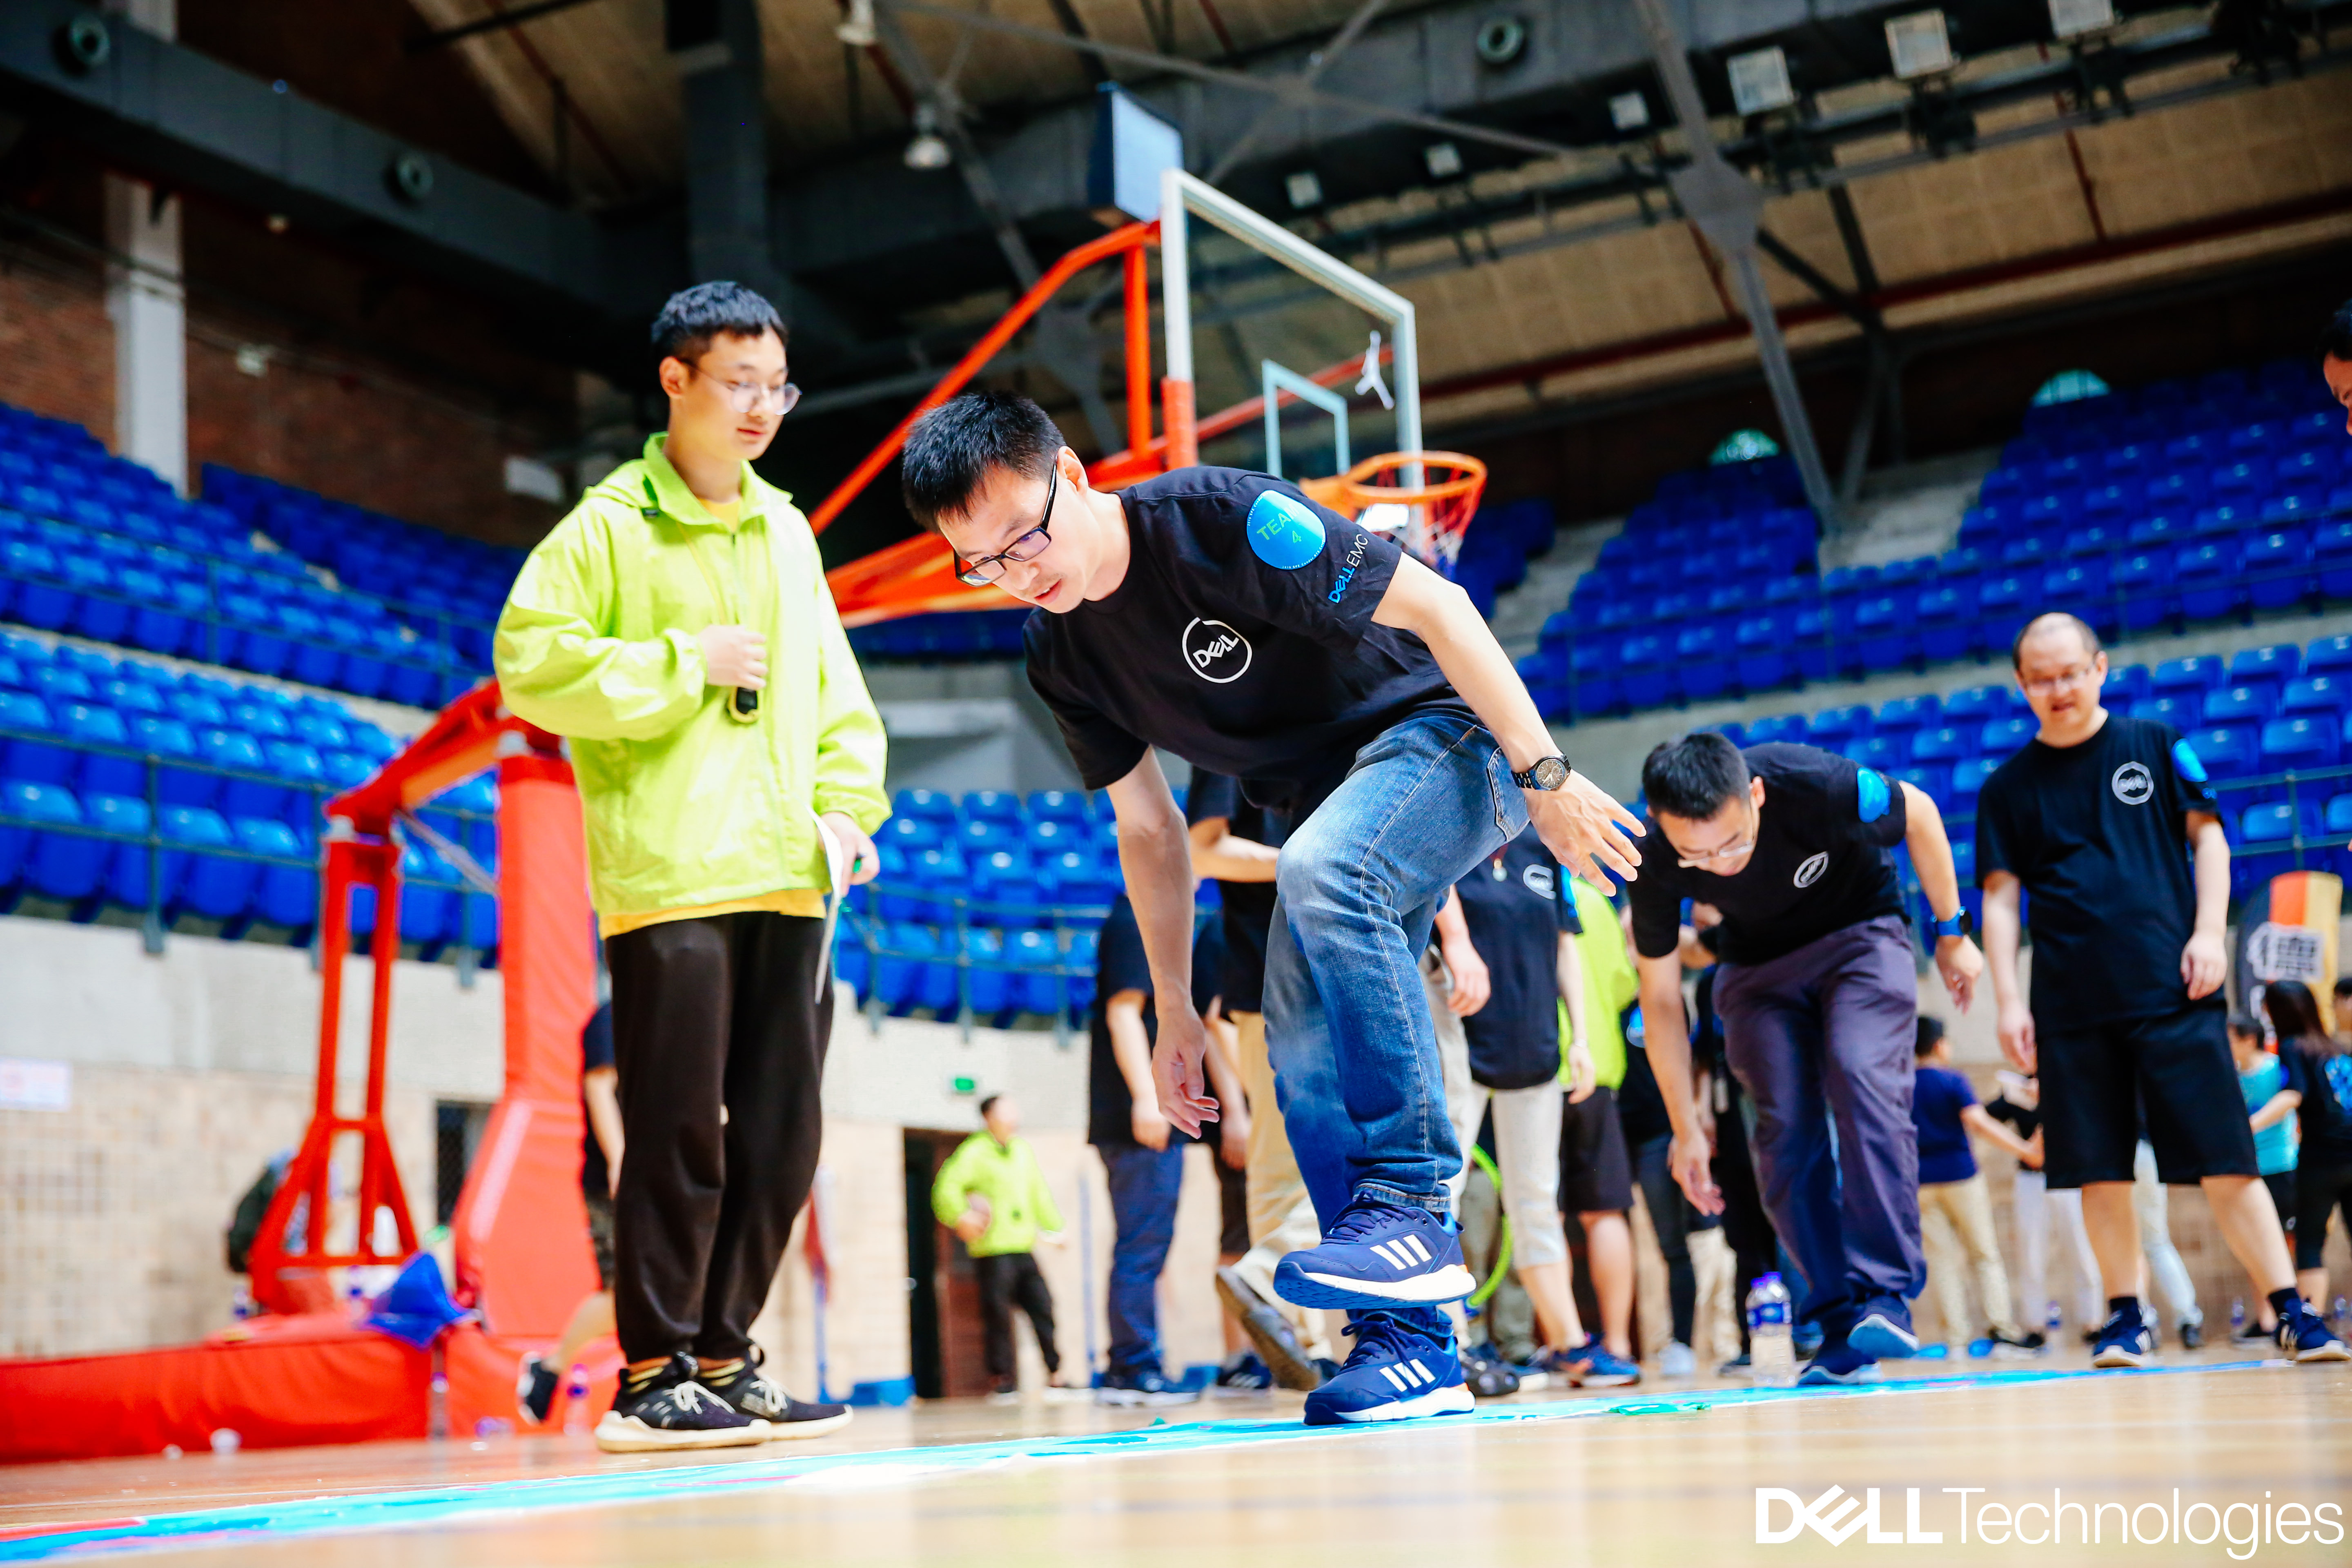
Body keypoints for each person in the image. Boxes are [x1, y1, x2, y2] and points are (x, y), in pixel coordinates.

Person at [901, 391, 1643, 1425]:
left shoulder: (1224, 519)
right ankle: (1407, 1348)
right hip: (1322, 808)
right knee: (1297, 1051)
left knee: (1321, 869)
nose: (1019, 572)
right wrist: (1172, 1005)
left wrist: (1545, 773)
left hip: (1447, 735)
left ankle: (1407, 1208)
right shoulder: (1060, 653)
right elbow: (1150, 830)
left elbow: (1441, 608)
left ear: (1070, 473)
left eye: (1025, 536)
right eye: (983, 563)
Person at [497, 281, 884, 1450]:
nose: (763, 407)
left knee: (784, 1133)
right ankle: (651, 1373)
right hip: (671, 874)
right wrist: (682, 660)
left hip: (793, 872)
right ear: (676, 380)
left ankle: (722, 1353)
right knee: (677, 1134)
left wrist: (848, 807)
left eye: (778, 386)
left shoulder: (787, 531)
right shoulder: (609, 525)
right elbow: (530, 665)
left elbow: (837, 695)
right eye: (739, 383)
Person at [1978, 612, 2344, 1367]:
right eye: (2041, 679)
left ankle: (2291, 1311)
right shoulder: (2007, 789)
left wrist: (2210, 934)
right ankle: (2126, 1318)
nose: (2058, 689)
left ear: (2100, 668)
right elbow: (2002, 900)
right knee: (2099, 1170)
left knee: (2227, 1158)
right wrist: (2009, 1001)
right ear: (2021, 685)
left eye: (2070, 673)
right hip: (2071, 1007)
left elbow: (2209, 838)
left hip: (2173, 991)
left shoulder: (2155, 744)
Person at [1630, 730, 1984, 1385]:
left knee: (1860, 1075)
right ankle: (1839, 1320)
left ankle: (1884, 1293)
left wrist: (1952, 931)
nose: (1720, 865)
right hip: (1756, 970)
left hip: (1860, 936)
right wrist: (1685, 1128)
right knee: (1784, 1134)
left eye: (1733, 842)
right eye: (1697, 854)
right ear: (1660, 822)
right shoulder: (1652, 860)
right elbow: (1659, 1000)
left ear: (1756, 795)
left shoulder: (1812, 781)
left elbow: (1921, 811)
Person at [1440, 823, 1642, 1388]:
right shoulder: (1446, 838)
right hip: (1460, 1047)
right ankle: (1450, 1346)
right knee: (1443, 1194)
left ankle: (1570, 1346)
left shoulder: (1542, 848)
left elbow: (1564, 944)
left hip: (1535, 1048)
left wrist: (1580, 1040)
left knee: (1536, 1200)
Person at [1185, 770, 1329, 1390]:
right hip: (1284, 978)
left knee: (1284, 1174)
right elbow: (1203, 852)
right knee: (1312, 1161)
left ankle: (1307, 1337)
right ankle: (1269, 1282)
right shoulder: (1224, 746)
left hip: (1286, 976)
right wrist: (1308, 862)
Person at [1087, 891, 1234, 1406]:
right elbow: (1123, 1012)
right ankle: (1132, 1368)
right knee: (1142, 1244)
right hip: (1139, 1120)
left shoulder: (1154, 916)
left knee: (1148, 1243)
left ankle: (1136, 1362)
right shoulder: (1137, 915)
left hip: (1150, 1116)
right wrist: (1147, 1099)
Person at [517, 1000, 626, 1426]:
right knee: (622, 1294)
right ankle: (552, 1366)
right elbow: (599, 1084)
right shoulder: (612, 1017)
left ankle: (551, 1367)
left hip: (665, 1178)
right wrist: (619, 1160)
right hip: (614, 1181)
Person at [1911, 1016, 2041, 1353]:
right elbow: (1978, 1121)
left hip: (1921, 1183)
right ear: (1940, 1045)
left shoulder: (1902, 1085)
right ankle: (2001, 1328)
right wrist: (2025, 1150)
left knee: (1941, 1260)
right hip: (1962, 1178)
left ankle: (1955, 1336)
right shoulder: (1952, 1080)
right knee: (1984, 1254)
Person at [931, 1094, 1067, 1401]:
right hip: (992, 1249)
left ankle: (1056, 1374)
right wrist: (961, 1215)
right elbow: (946, 1188)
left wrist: (1056, 1228)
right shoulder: (974, 1151)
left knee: (1043, 1308)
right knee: (998, 1317)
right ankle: (1002, 1380)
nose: (1013, 1116)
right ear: (989, 1117)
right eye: (1006, 1111)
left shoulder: (1022, 1150)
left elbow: (1039, 1192)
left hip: (1023, 1245)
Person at [1984, 1072, 2104, 1343]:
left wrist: (2053, 1096)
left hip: (2070, 1177)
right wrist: (2022, 1148)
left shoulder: (2070, 1080)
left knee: (2082, 1249)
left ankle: (2093, 1323)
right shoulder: (2017, 1090)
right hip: (2031, 1178)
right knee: (2031, 1252)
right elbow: (1984, 1117)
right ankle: (2035, 1326)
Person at [2262, 981, 2352, 1338]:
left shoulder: (2293, 1046)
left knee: (2310, 1243)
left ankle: (2310, 1326)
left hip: (2322, 1159)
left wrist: (2247, 1125)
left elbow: (2293, 1095)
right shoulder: (2335, 1048)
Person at [2228, 1012, 2301, 1341]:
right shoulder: (2232, 1077)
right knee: (2255, 1244)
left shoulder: (2277, 1069)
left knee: (2287, 1243)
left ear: (2248, 1039)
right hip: (2249, 1169)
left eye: (2230, 1038)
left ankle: (2296, 1312)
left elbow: (2292, 1103)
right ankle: (2265, 1320)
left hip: (2282, 1166)